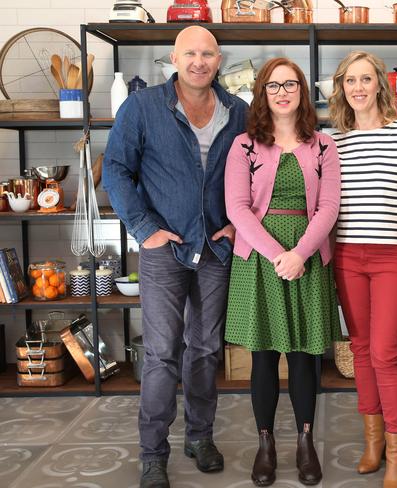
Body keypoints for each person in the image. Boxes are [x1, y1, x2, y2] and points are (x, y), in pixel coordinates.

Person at [103, 26, 248, 488]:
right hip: (164, 249)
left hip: (216, 247)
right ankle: (153, 453)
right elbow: (116, 170)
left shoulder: (238, 111)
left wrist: (236, 225)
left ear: (219, 59)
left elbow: (255, 172)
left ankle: (200, 437)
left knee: (205, 351)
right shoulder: (143, 107)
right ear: (174, 57)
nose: (199, 61)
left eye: (207, 53)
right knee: (163, 353)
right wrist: (145, 230)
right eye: (190, 53)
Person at [224, 57, 341, 487]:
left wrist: (301, 253)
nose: (282, 92)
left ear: (302, 92)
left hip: (307, 257)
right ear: (262, 93)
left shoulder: (324, 146)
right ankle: (266, 443)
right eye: (273, 86)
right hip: (259, 259)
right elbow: (236, 207)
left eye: (290, 84)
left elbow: (329, 207)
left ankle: (306, 442)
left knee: (306, 357)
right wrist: (279, 254)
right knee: (264, 357)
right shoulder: (244, 146)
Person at [328, 51, 397, 488]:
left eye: (366, 79)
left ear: (379, 84)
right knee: (361, 350)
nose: (358, 87)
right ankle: (373, 443)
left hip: (391, 260)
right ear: (342, 88)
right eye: (351, 81)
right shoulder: (333, 141)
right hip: (348, 257)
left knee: (386, 353)